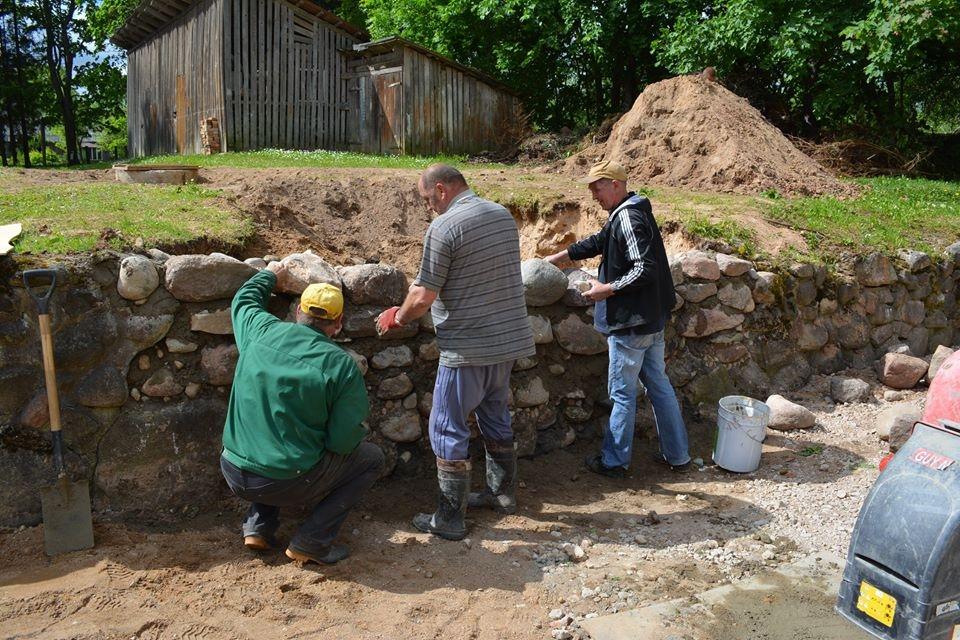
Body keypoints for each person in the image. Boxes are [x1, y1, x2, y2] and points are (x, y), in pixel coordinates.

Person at [376, 163, 535, 541]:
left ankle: (449, 518)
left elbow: (423, 296)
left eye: (428, 199)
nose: (428, 206)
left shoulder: (445, 227)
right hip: (507, 342)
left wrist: (396, 317)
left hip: (468, 347)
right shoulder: (501, 216)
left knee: (446, 426)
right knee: (495, 415)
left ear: (444, 189)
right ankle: (503, 495)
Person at [220, 262, 384, 565]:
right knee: (370, 459)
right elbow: (342, 441)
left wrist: (271, 274)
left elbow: (243, 299)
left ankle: (258, 527)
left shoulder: (259, 331)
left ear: (298, 311)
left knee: (272, 433)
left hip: (232, 468)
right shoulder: (340, 366)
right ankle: (312, 541)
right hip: (286, 481)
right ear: (338, 323)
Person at [545, 159, 690, 477]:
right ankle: (678, 455)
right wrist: (561, 257)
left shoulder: (628, 217)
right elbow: (601, 241)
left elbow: (644, 268)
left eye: (597, 188)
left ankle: (614, 463)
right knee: (659, 386)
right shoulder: (632, 211)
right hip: (651, 319)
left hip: (631, 323)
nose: (593, 195)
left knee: (623, 394)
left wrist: (607, 289)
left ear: (615, 184)